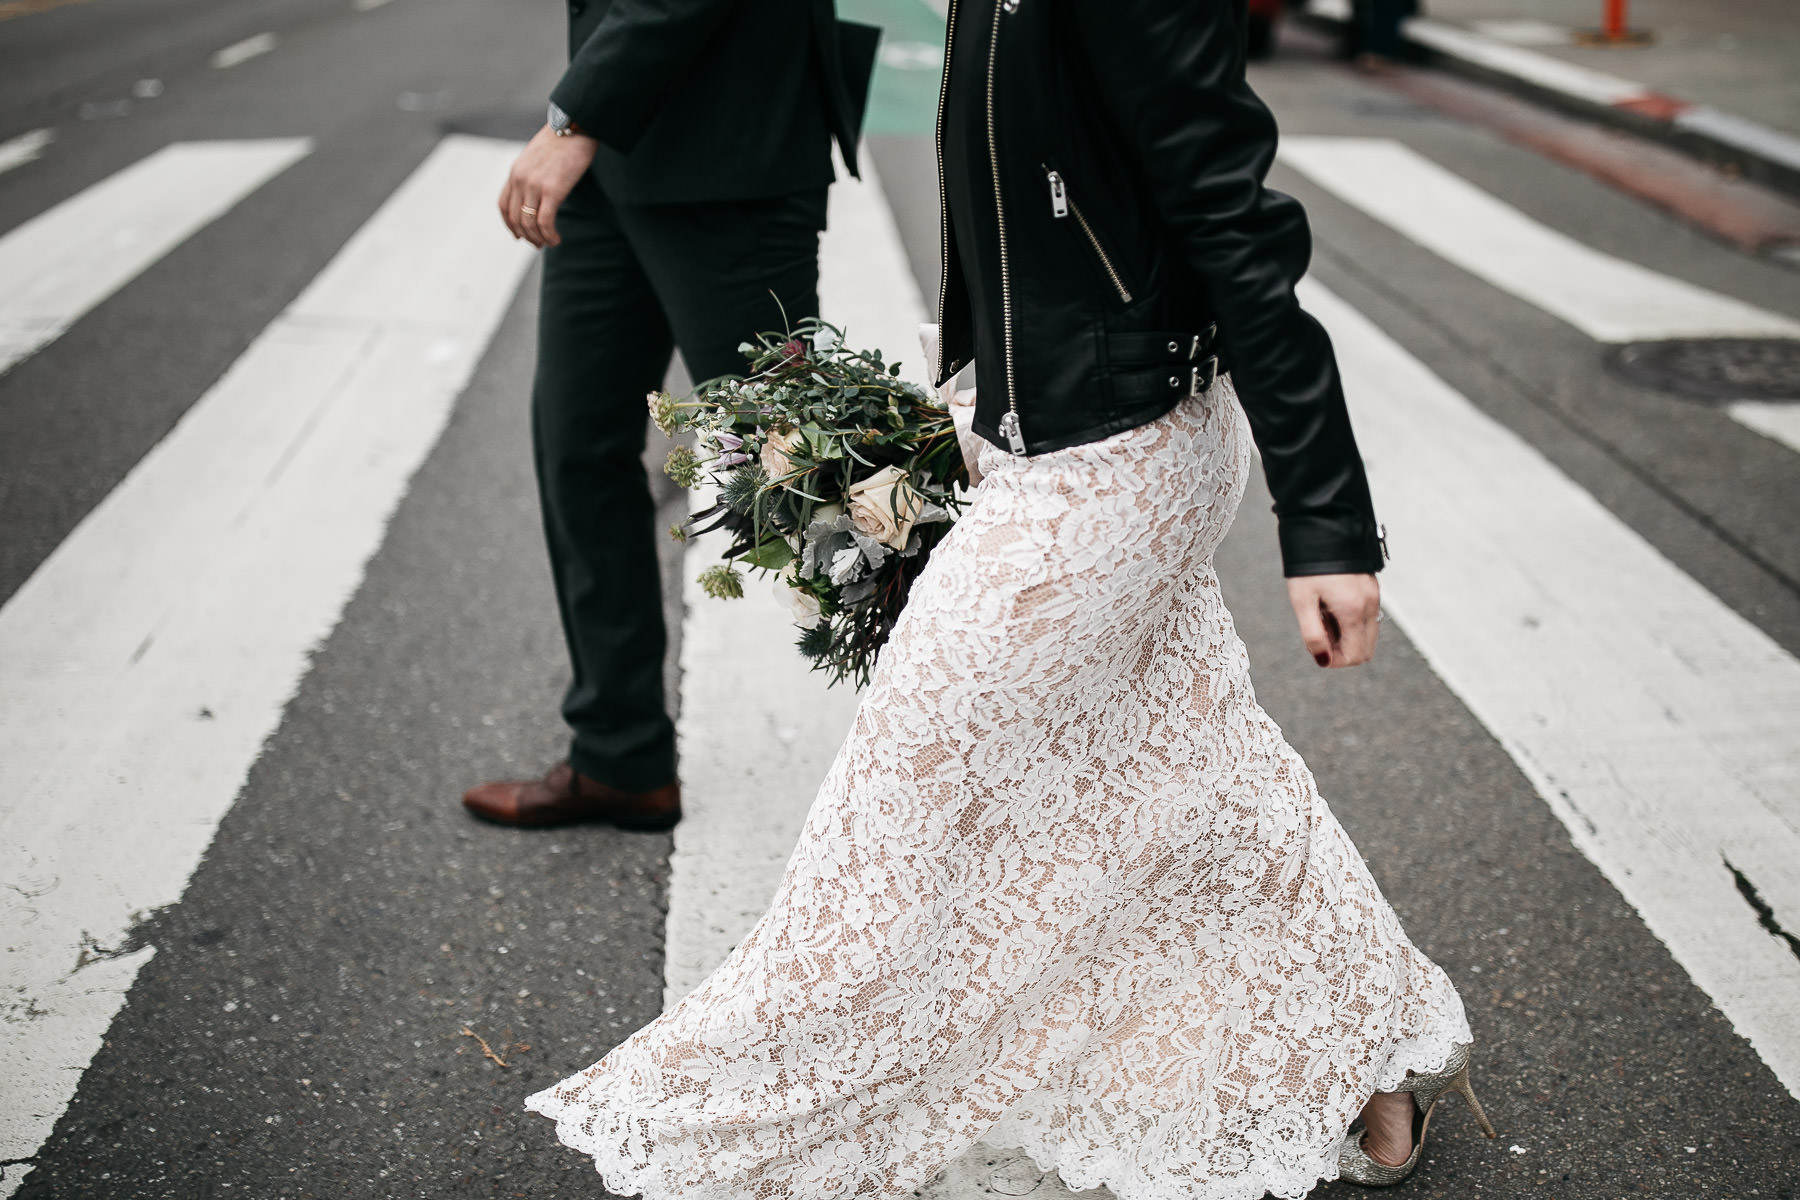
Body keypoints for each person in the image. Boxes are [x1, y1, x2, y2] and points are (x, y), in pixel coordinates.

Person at [526, 0, 1493, 1195]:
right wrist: (968, 407)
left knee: (904, 801)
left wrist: (1330, 521)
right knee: (1190, 756)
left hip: (1118, 455)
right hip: (1041, 436)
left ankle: (753, 1136)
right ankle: (1360, 1050)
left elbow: (1233, 219)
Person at [462, 0, 876, 833]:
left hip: (729, 155)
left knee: (817, 487)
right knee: (576, 449)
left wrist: (577, 115)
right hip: (615, 155)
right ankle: (619, 758)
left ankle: (988, 765)